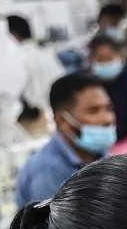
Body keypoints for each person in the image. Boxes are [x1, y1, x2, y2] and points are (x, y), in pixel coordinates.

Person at [15, 73, 116, 206]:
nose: (108, 119)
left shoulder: (98, 155)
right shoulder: (48, 173)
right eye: (93, 111)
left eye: (109, 109)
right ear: (63, 120)